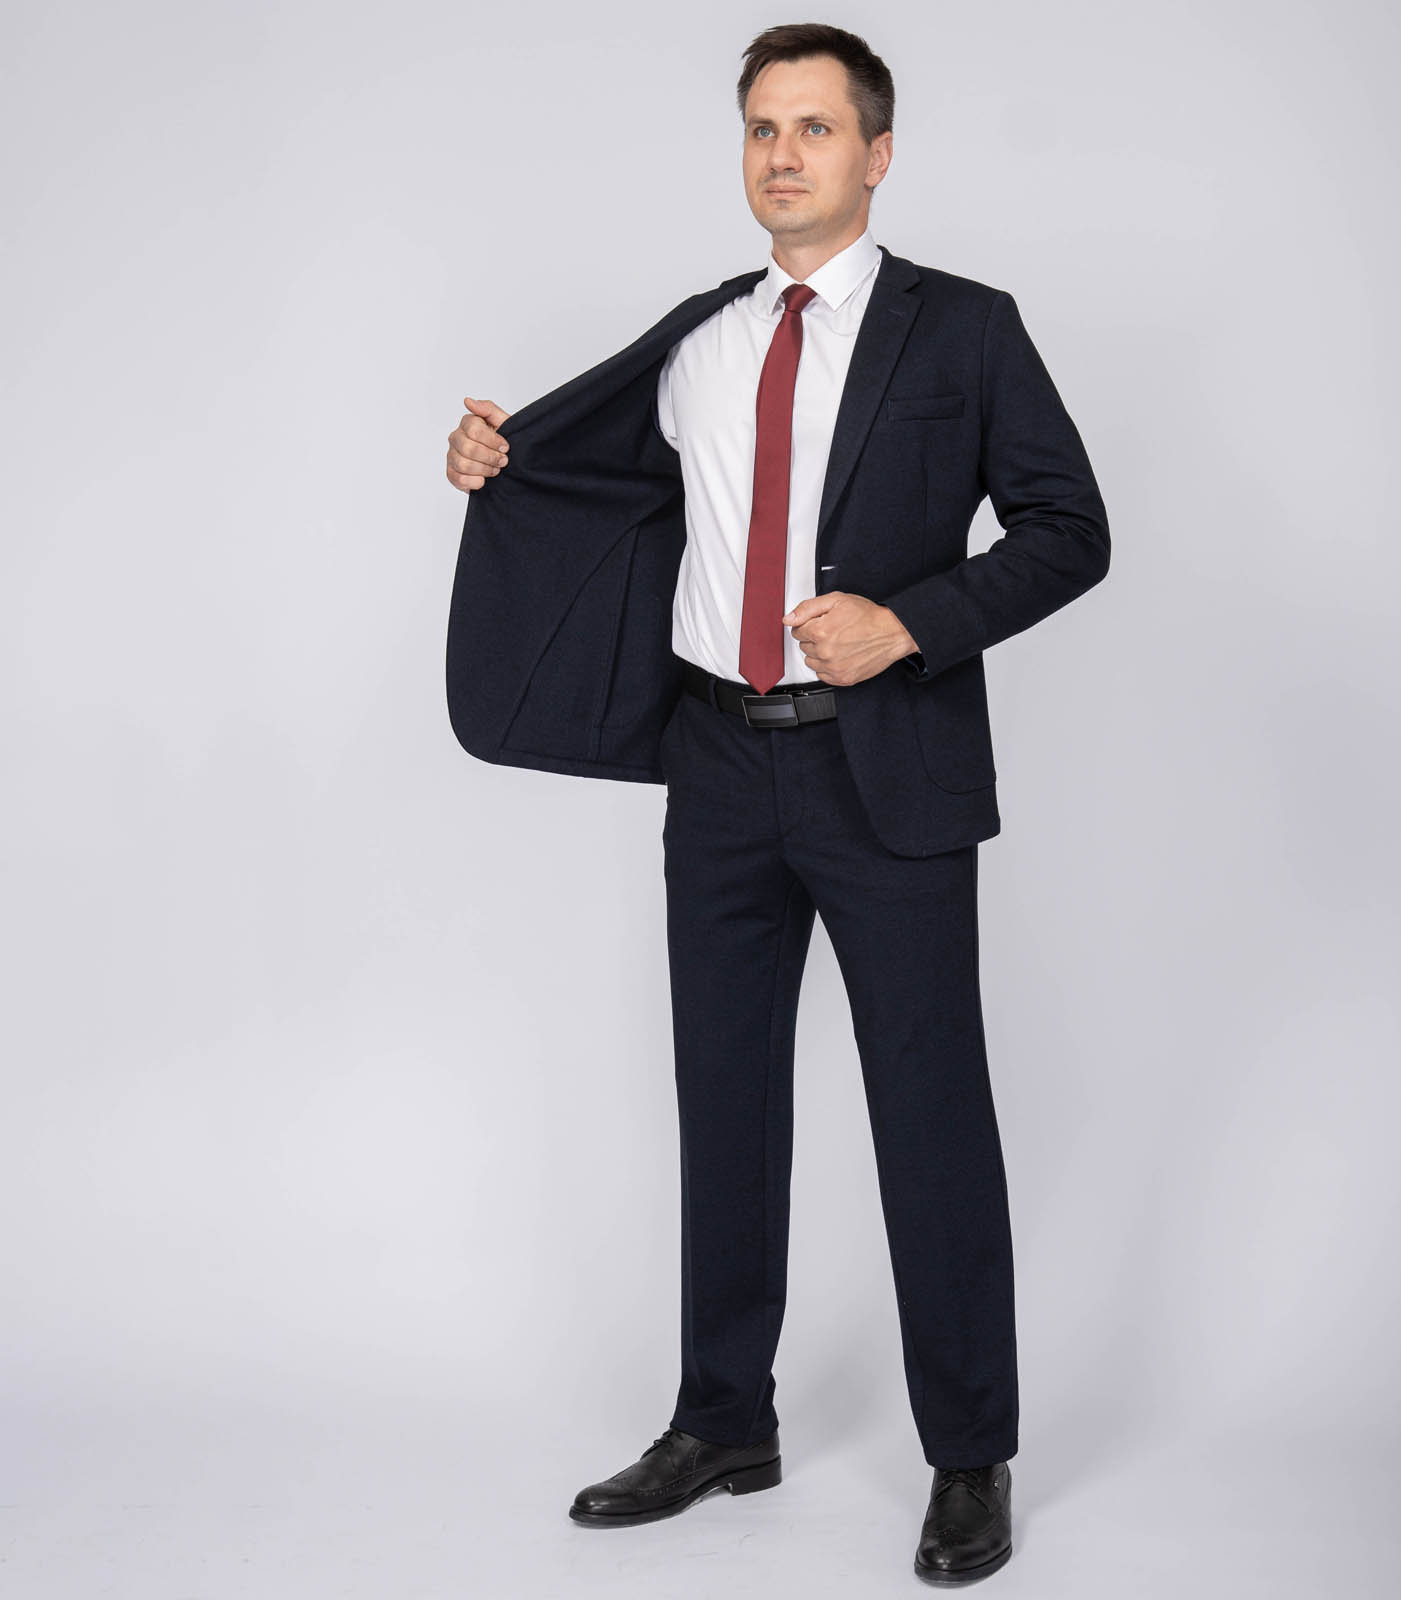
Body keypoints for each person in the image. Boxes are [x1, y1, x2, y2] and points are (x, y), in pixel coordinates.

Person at [443, 21, 1109, 1586]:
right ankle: (722, 1421)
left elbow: (1070, 527)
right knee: (725, 1101)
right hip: (719, 762)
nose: (784, 154)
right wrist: (489, 455)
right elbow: (579, 484)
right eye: (762, 128)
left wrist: (912, 623)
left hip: (888, 767)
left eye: (815, 127)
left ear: (879, 152)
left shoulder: (966, 331)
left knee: (930, 1114)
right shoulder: (700, 339)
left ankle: (969, 1455)